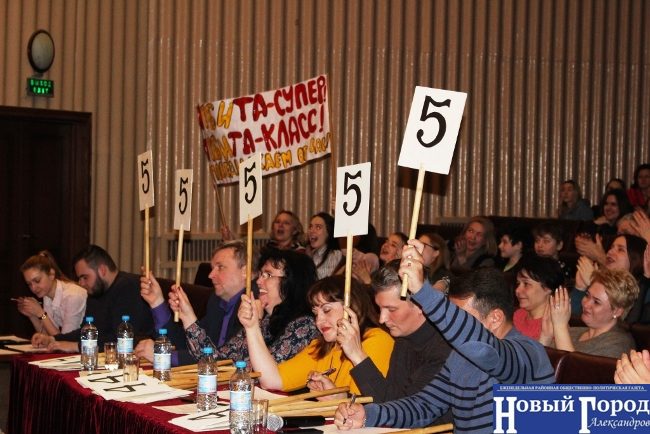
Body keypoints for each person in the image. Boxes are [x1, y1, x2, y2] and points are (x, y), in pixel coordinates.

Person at [334, 241, 554, 432]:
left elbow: (485, 349)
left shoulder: (528, 354)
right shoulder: (460, 357)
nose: (450, 324)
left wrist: (423, 292)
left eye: (462, 316)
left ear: (495, 318)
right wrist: (368, 414)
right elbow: (423, 407)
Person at [240, 275, 394, 396]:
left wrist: (338, 398)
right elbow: (271, 380)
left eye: (327, 310)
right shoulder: (323, 347)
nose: (319, 321)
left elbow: (367, 405)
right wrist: (252, 327)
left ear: (352, 307)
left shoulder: (377, 340)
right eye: (315, 313)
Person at [172, 249, 319, 363]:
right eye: (260, 275)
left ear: (292, 282)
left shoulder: (305, 325)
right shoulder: (267, 320)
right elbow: (219, 361)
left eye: (268, 275)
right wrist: (187, 316)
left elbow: (261, 372)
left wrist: (253, 327)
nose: (259, 281)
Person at [348, 261, 452, 407]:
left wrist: (358, 355)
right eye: (380, 309)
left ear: (420, 305)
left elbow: (405, 411)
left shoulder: (444, 350)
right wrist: (343, 397)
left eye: (391, 309)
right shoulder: (404, 338)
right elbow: (392, 397)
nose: (382, 319)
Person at [136, 240, 251, 365]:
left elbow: (225, 360)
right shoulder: (216, 302)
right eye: (212, 268)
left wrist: (164, 355)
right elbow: (190, 346)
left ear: (245, 271)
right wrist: (157, 302)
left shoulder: (252, 306)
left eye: (220, 267)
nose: (210, 275)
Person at [31, 245, 154, 352]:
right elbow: (87, 331)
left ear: (102, 270)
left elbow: (124, 339)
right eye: (79, 278)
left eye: (85, 277)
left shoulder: (128, 287)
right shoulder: (96, 290)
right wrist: (53, 339)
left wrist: (77, 346)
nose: (81, 283)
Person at [540, 269, 638, 358]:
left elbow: (573, 370)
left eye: (596, 302)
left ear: (617, 311)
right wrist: (545, 337)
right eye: (587, 295)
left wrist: (560, 326)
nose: (586, 304)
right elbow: (537, 365)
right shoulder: (573, 332)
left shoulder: (619, 343)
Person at [572, 234, 648, 321]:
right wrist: (580, 288)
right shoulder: (598, 279)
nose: (610, 252)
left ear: (636, 259)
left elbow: (625, 323)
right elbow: (573, 319)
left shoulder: (644, 291)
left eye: (620, 250)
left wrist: (594, 285)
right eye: (611, 247)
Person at [17, 251, 87, 335]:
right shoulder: (47, 295)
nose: (33, 288)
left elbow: (65, 339)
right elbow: (48, 335)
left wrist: (41, 313)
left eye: (37, 280)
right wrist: (32, 315)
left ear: (51, 274)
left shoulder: (72, 296)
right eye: (29, 284)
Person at [513, 256, 565, 340]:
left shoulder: (555, 326)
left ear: (547, 288)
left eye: (526, 284)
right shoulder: (518, 315)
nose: (517, 290)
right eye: (518, 283)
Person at [305, 212, 342, 279]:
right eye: (310, 226)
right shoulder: (311, 254)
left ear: (328, 232)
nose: (312, 231)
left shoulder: (335, 255)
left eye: (318, 227)